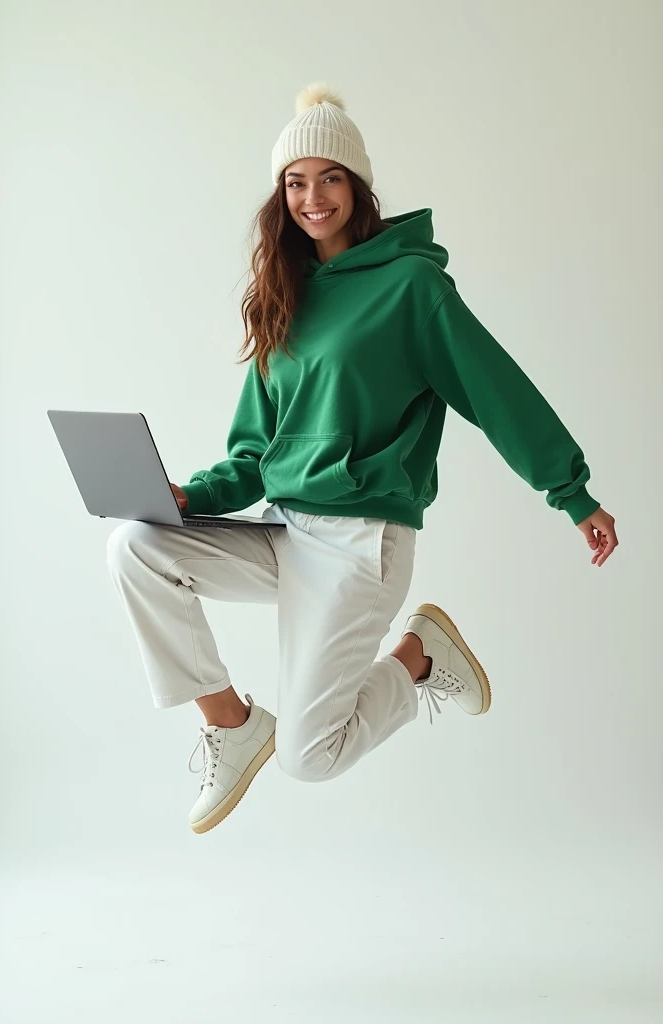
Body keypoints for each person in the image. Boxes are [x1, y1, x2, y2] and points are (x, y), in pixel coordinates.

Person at [107, 82, 618, 835]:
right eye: (295, 181)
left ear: (358, 185)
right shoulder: (284, 292)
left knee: (310, 758)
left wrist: (571, 493)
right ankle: (232, 722)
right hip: (284, 531)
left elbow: (496, 391)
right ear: (281, 195)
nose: (313, 197)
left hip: (359, 546)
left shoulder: (412, 286)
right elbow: (254, 452)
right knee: (136, 547)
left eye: (330, 177)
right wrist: (191, 497)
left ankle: (417, 654)